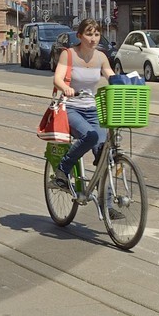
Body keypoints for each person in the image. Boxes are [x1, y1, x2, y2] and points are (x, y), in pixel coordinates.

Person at [49, 17, 112, 193]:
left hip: (93, 109)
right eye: (89, 34)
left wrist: (127, 83)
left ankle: (107, 205)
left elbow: (111, 76)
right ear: (79, 35)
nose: (93, 38)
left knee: (103, 152)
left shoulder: (101, 57)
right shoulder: (68, 54)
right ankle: (62, 170)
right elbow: (58, 79)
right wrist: (66, 88)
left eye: (97, 34)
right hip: (71, 108)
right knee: (90, 137)